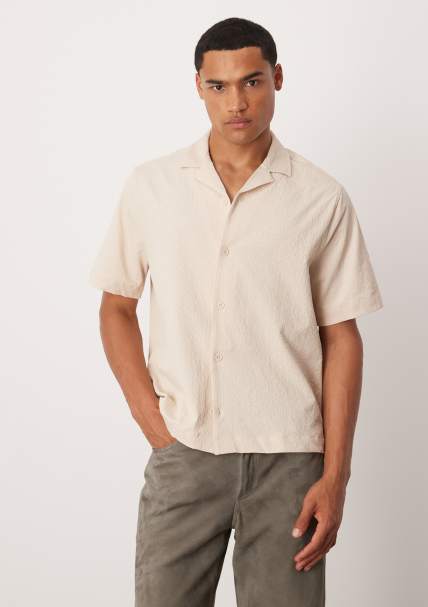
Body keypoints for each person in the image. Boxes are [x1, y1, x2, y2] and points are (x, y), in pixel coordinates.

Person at [89, 16, 384, 607]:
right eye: (218, 86)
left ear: (278, 78)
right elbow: (117, 306)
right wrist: (154, 422)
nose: (236, 103)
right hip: (186, 451)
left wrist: (335, 477)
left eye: (252, 81)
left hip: (290, 462)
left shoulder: (320, 197)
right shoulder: (153, 187)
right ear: (198, 86)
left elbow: (342, 337)